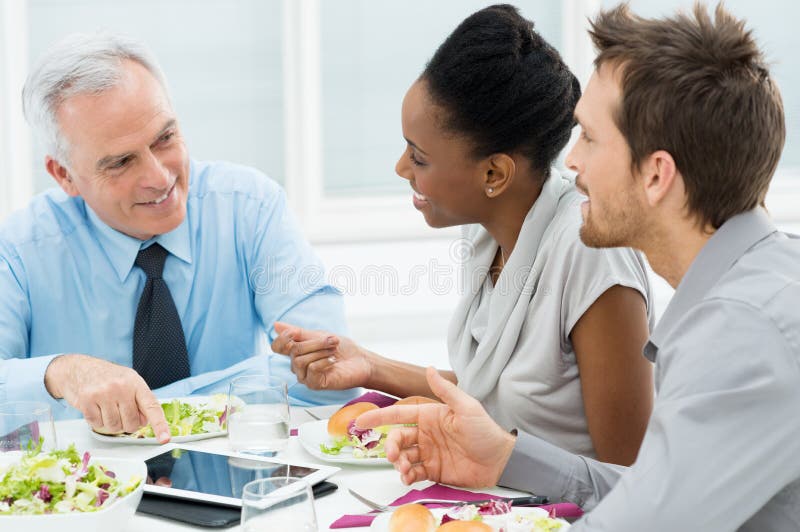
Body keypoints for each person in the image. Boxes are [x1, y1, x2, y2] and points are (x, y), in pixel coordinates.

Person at [357, 3, 800, 530]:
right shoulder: (748, 294)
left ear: (656, 175)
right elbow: (655, 495)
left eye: (589, 136)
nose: (570, 160)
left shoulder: (745, 332)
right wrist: (506, 457)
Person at [272, 4, 655, 465]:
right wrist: (368, 366)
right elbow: (494, 402)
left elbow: (629, 472)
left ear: (494, 174)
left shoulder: (591, 251)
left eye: (419, 158)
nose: (400, 168)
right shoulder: (487, 237)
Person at [0, 32, 358, 441]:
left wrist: (146, 409)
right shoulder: (20, 251)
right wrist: (61, 373)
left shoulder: (250, 208)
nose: (159, 177)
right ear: (64, 175)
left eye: (164, 139)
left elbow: (333, 374)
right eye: (121, 162)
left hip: (237, 479)